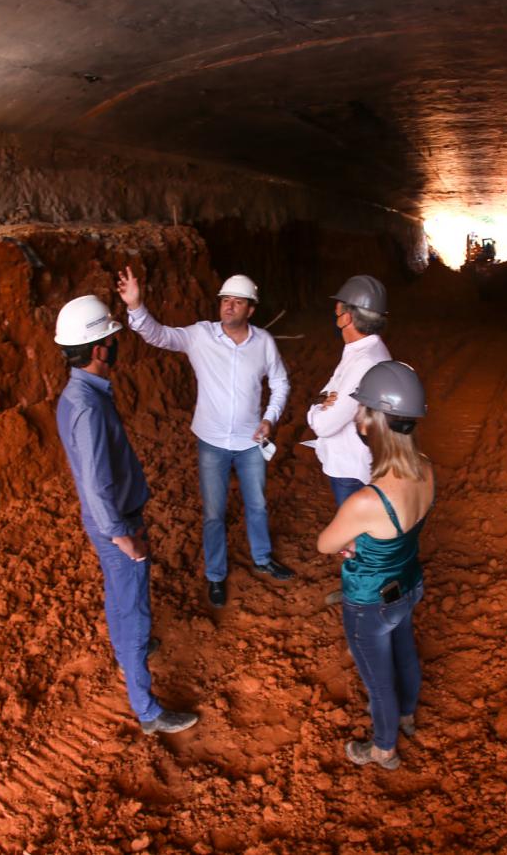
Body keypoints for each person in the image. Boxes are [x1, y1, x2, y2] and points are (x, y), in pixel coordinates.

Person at [54, 294, 198, 735]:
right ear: (99, 349)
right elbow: (96, 483)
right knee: (132, 604)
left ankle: (129, 648)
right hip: (114, 522)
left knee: (120, 595)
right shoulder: (89, 408)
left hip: (107, 519)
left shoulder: (76, 394)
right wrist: (123, 536)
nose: (116, 344)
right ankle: (148, 710)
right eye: (112, 338)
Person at [117, 266, 293, 609]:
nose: (228, 306)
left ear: (251, 310)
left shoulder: (264, 343)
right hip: (211, 442)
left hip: (250, 442)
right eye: (225, 300)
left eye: (237, 302)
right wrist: (136, 306)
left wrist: (270, 419)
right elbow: (158, 335)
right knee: (214, 512)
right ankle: (215, 575)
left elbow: (281, 383)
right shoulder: (200, 335)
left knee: (257, 504)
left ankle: (262, 557)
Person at [316, 361, 433, 770]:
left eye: (363, 411)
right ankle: (407, 716)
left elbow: (325, 543)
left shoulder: (367, 501)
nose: (359, 419)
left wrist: (354, 539)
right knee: (405, 651)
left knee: (377, 678)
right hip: (408, 583)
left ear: (376, 423)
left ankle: (383, 748)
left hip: (370, 600)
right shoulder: (426, 470)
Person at [307, 275, 391, 507]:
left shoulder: (364, 362)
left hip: (351, 470)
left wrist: (315, 408)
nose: (334, 314)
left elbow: (324, 425)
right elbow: (328, 391)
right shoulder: (364, 351)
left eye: (338, 310)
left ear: (347, 317)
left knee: (355, 540)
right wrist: (323, 400)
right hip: (355, 464)